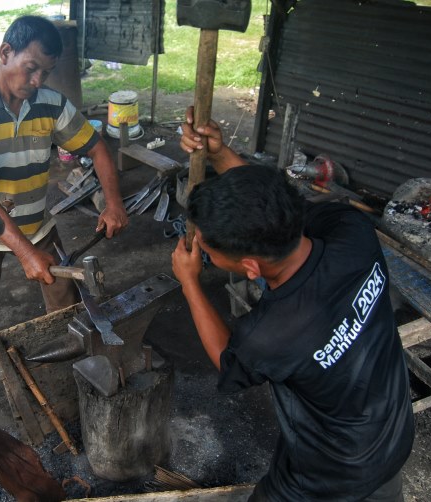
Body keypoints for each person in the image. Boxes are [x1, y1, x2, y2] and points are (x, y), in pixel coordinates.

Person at [172, 108, 415, 501]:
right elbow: (279, 204)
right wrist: (219, 154)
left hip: (328, 476)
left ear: (250, 266)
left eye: (211, 253)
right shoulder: (352, 233)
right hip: (391, 438)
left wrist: (190, 284)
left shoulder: (272, 334)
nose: (208, 258)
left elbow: (228, 362)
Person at [0, 15, 128, 315]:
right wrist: (25, 253)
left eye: (46, 72)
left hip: (34, 221)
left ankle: (71, 344)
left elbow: (97, 148)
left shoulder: (50, 103)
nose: (37, 82)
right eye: (31, 69)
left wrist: (114, 203)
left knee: (65, 300)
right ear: (5, 53)